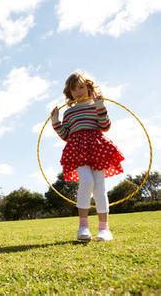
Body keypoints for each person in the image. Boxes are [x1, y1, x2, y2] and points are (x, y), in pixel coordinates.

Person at [51, 71, 124, 242]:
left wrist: (100, 106)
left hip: (97, 147)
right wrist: (55, 120)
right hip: (77, 148)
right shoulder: (69, 112)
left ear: (89, 87)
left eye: (81, 87)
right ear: (69, 93)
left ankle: (104, 229)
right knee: (87, 180)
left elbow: (105, 126)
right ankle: (83, 227)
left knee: (99, 187)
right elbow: (65, 135)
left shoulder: (96, 105)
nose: (78, 91)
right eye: (74, 89)